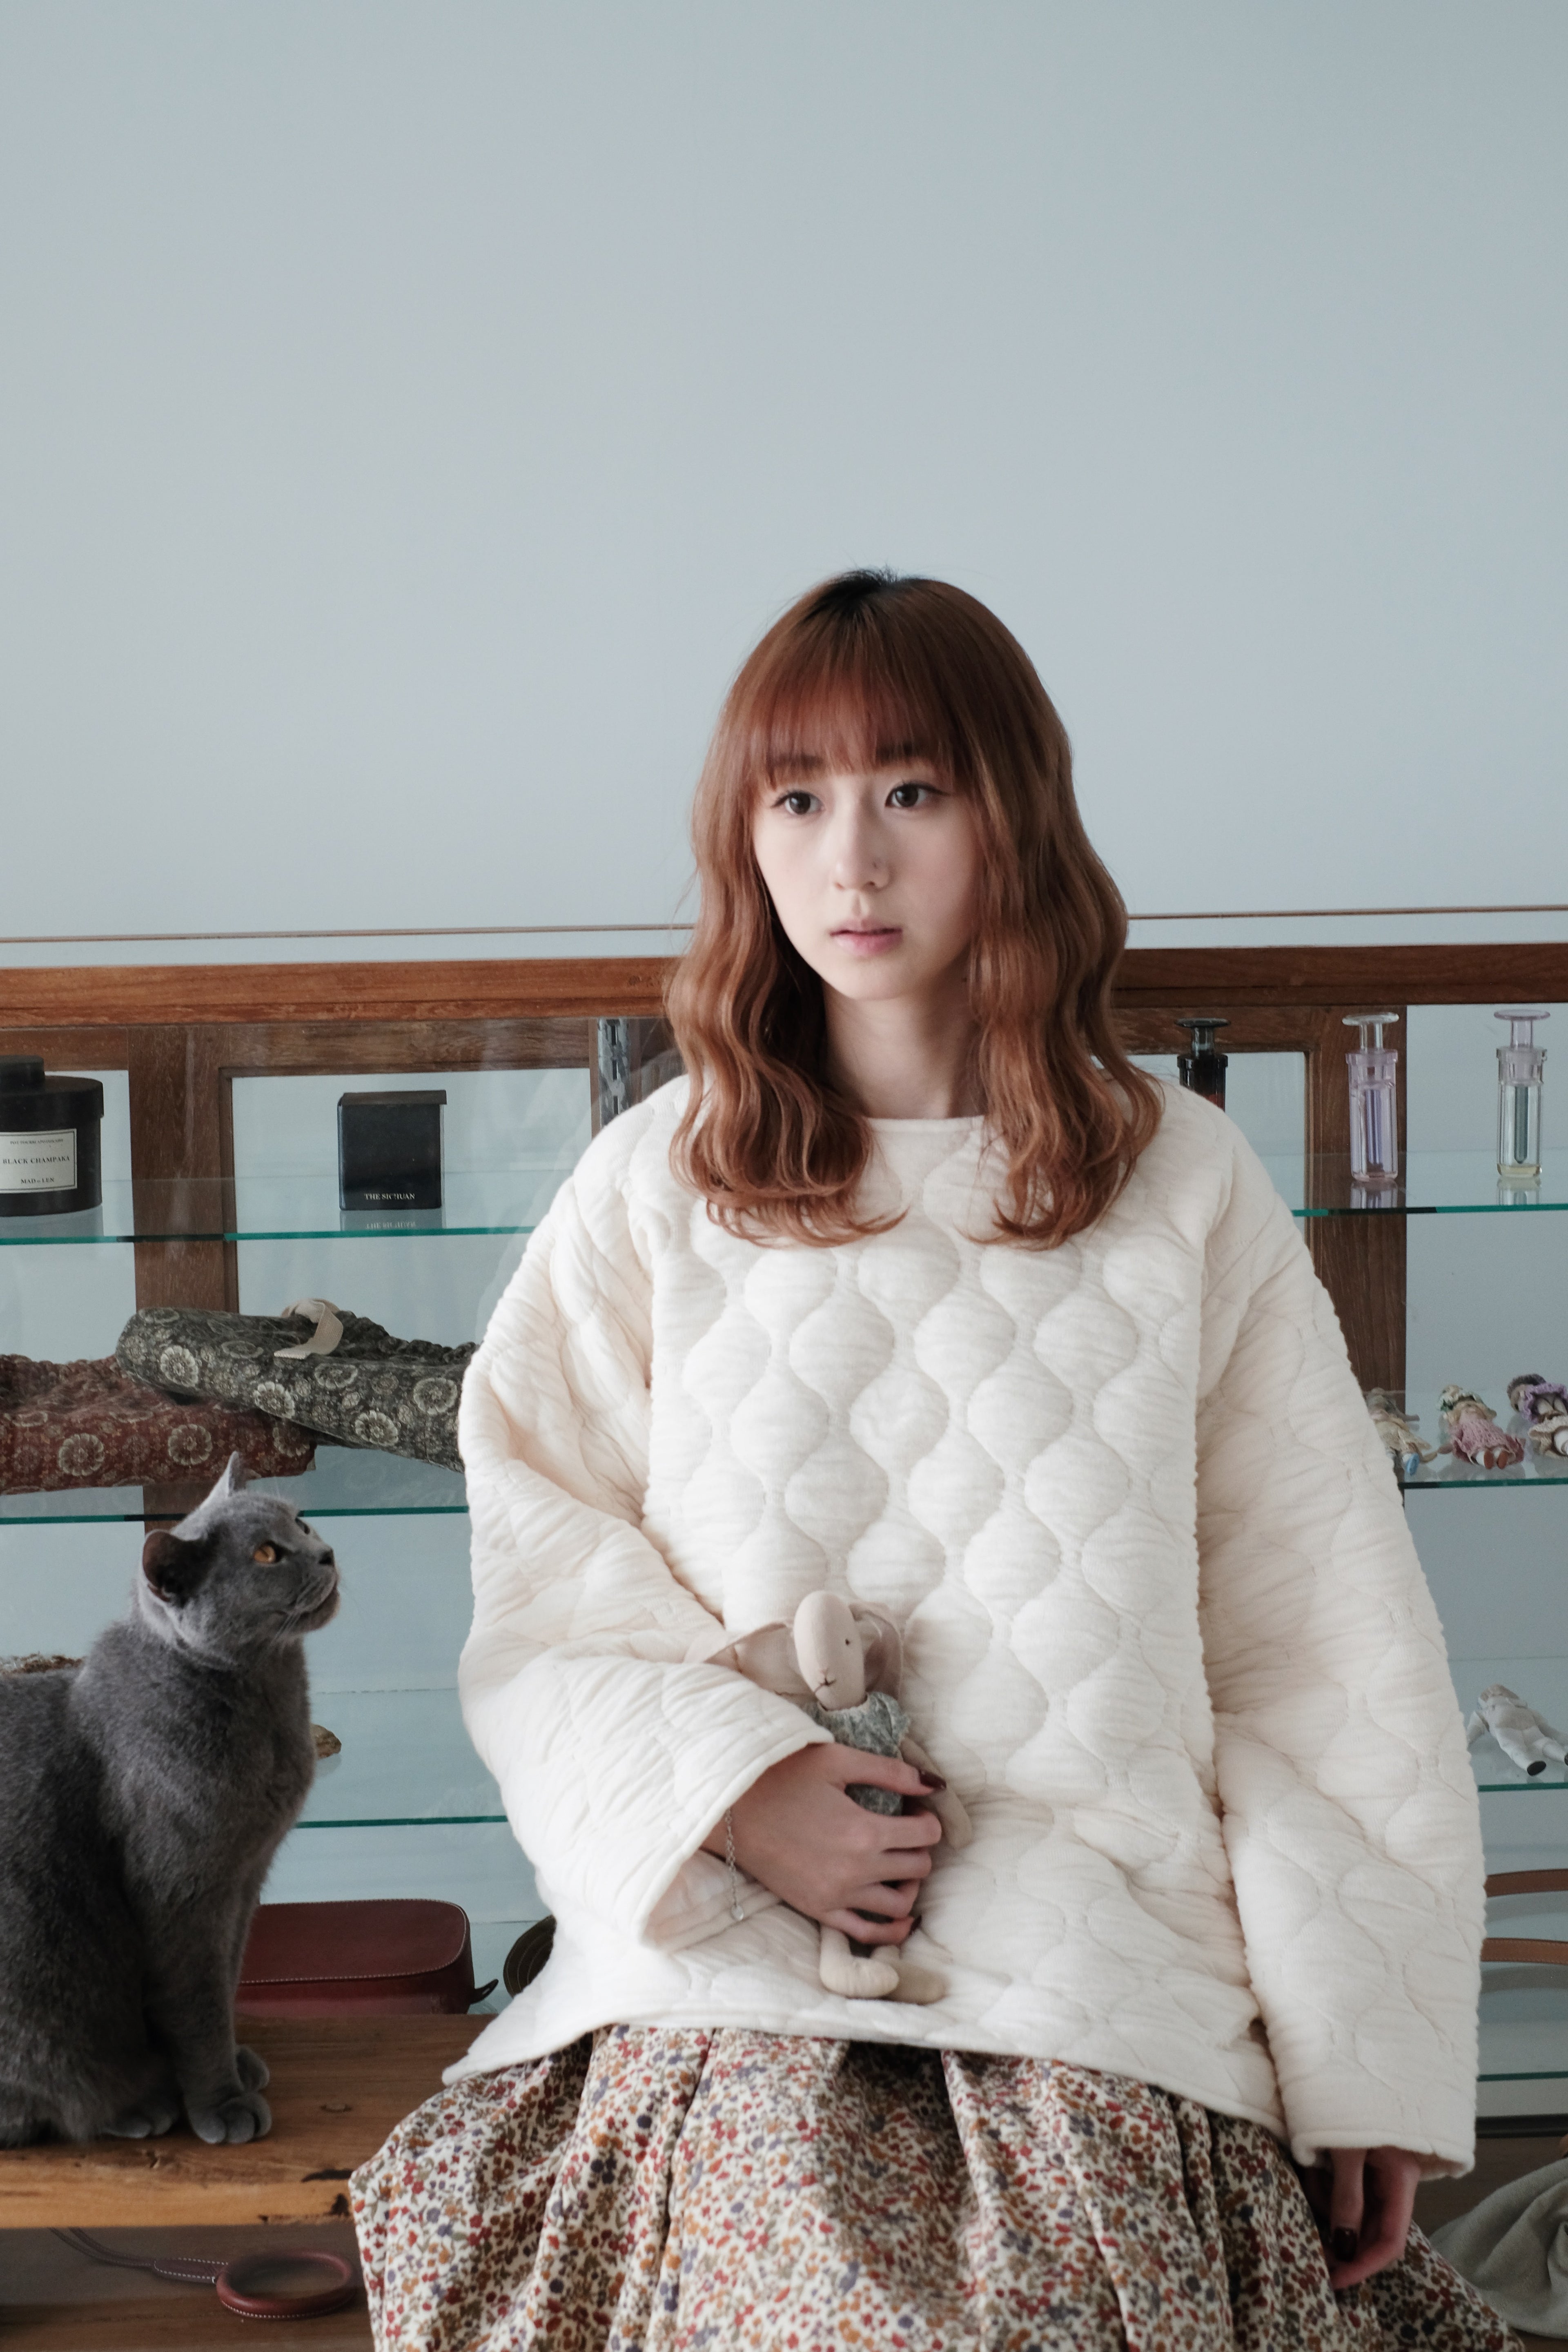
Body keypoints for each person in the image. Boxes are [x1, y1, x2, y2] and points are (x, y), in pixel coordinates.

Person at [352, 572, 1514, 2351]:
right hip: (728, 1957)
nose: (854, 860)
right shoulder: (657, 1183)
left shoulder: (1181, 1185)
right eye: (796, 799)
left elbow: (1320, 1646)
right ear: (744, 837)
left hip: (1101, 1968)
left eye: (913, 790)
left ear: (1012, 817)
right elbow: (546, 1580)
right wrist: (739, 1790)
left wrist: (1364, 2056)